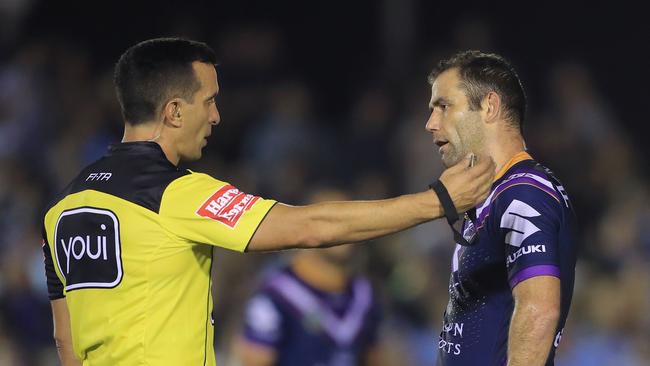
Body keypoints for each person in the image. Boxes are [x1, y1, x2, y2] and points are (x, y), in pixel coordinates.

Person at [41, 38, 494, 366]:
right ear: (174, 111)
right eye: (209, 101)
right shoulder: (174, 192)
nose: (217, 116)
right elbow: (309, 227)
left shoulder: (60, 209)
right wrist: (438, 200)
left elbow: (67, 340)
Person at [425, 50, 577, 366]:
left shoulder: (523, 193)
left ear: (490, 106)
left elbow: (539, 309)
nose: (430, 123)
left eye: (444, 106)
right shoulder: (495, 194)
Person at [235, 188, 385, 366]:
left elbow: (375, 356)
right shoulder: (277, 295)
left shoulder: (363, 294)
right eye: (333, 220)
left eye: (349, 220)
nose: (345, 228)